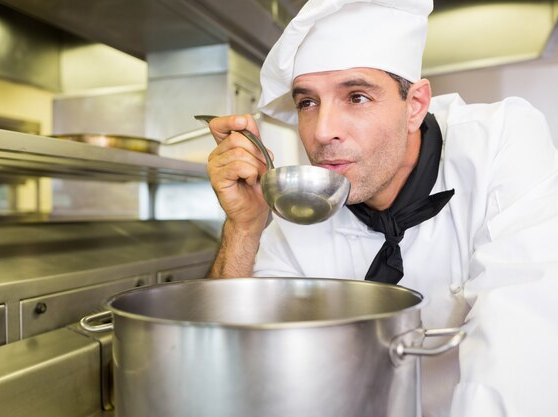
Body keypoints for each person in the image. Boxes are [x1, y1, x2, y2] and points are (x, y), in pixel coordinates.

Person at [205, 0, 558, 416]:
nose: (322, 132)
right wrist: (243, 228)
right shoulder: (302, 210)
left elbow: (524, 340)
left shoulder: (499, 144)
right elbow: (232, 361)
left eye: (356, 97)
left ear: (415, 105)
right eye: (307, 103)